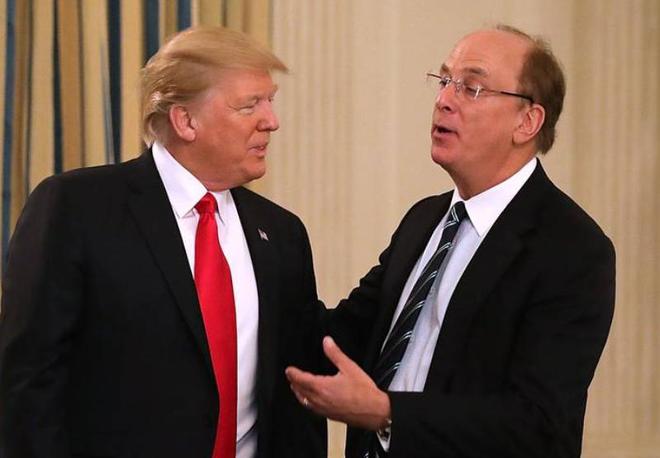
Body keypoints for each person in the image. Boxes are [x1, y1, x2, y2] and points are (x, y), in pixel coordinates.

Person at [286, 24, 615, 457]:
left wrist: (388, 414)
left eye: (471, 88)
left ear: (527, 121)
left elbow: (538, 425)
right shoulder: (424, 219)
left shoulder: (572, 248)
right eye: (444, 81)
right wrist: (250, 256)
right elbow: (340, 338)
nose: (444, 100)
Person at [0, 26, 326, 458]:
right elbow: (28, 385)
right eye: (250, 105)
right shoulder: (76, 208)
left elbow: (298, 387)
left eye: (270, 101)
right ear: (185, 121)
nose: (272, 121)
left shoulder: (281, 233)